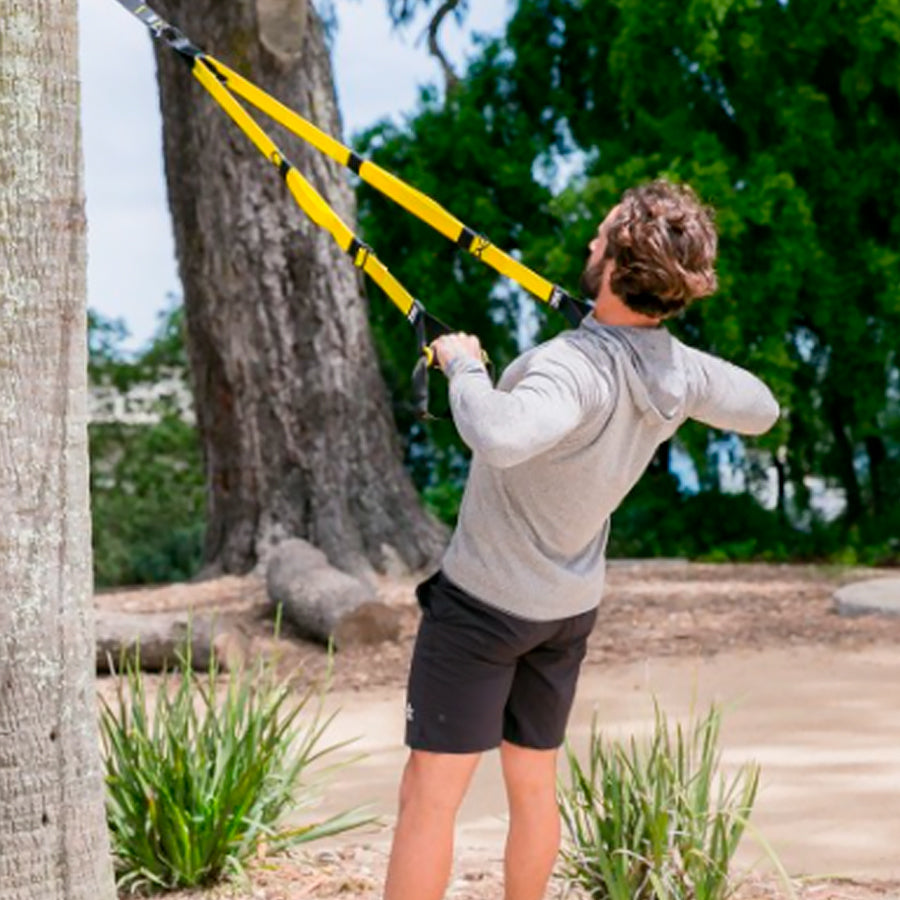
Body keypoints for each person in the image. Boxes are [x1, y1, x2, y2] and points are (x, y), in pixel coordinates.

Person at [382, 178, 780, 900]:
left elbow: (499, 434)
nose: (590, 240)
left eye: (601, 235)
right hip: (564, 613)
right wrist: (671, 367)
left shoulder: (571, 367)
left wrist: (464, 365)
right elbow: (762, 409)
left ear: (617, 265)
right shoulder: (676, 371)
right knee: (533, 784)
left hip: (483, 608)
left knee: (428, 796)